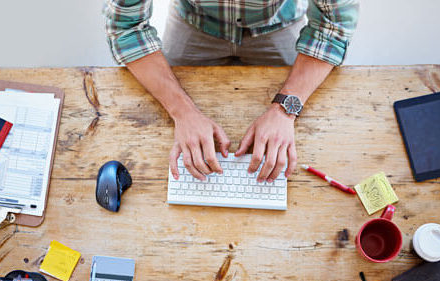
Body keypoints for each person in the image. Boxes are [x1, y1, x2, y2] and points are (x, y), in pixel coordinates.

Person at [104, 0, 359, 182]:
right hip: (194, 23)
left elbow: (333, 26)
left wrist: (284, 110)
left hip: (278, 24)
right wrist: (182, 113)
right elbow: (127, 26)